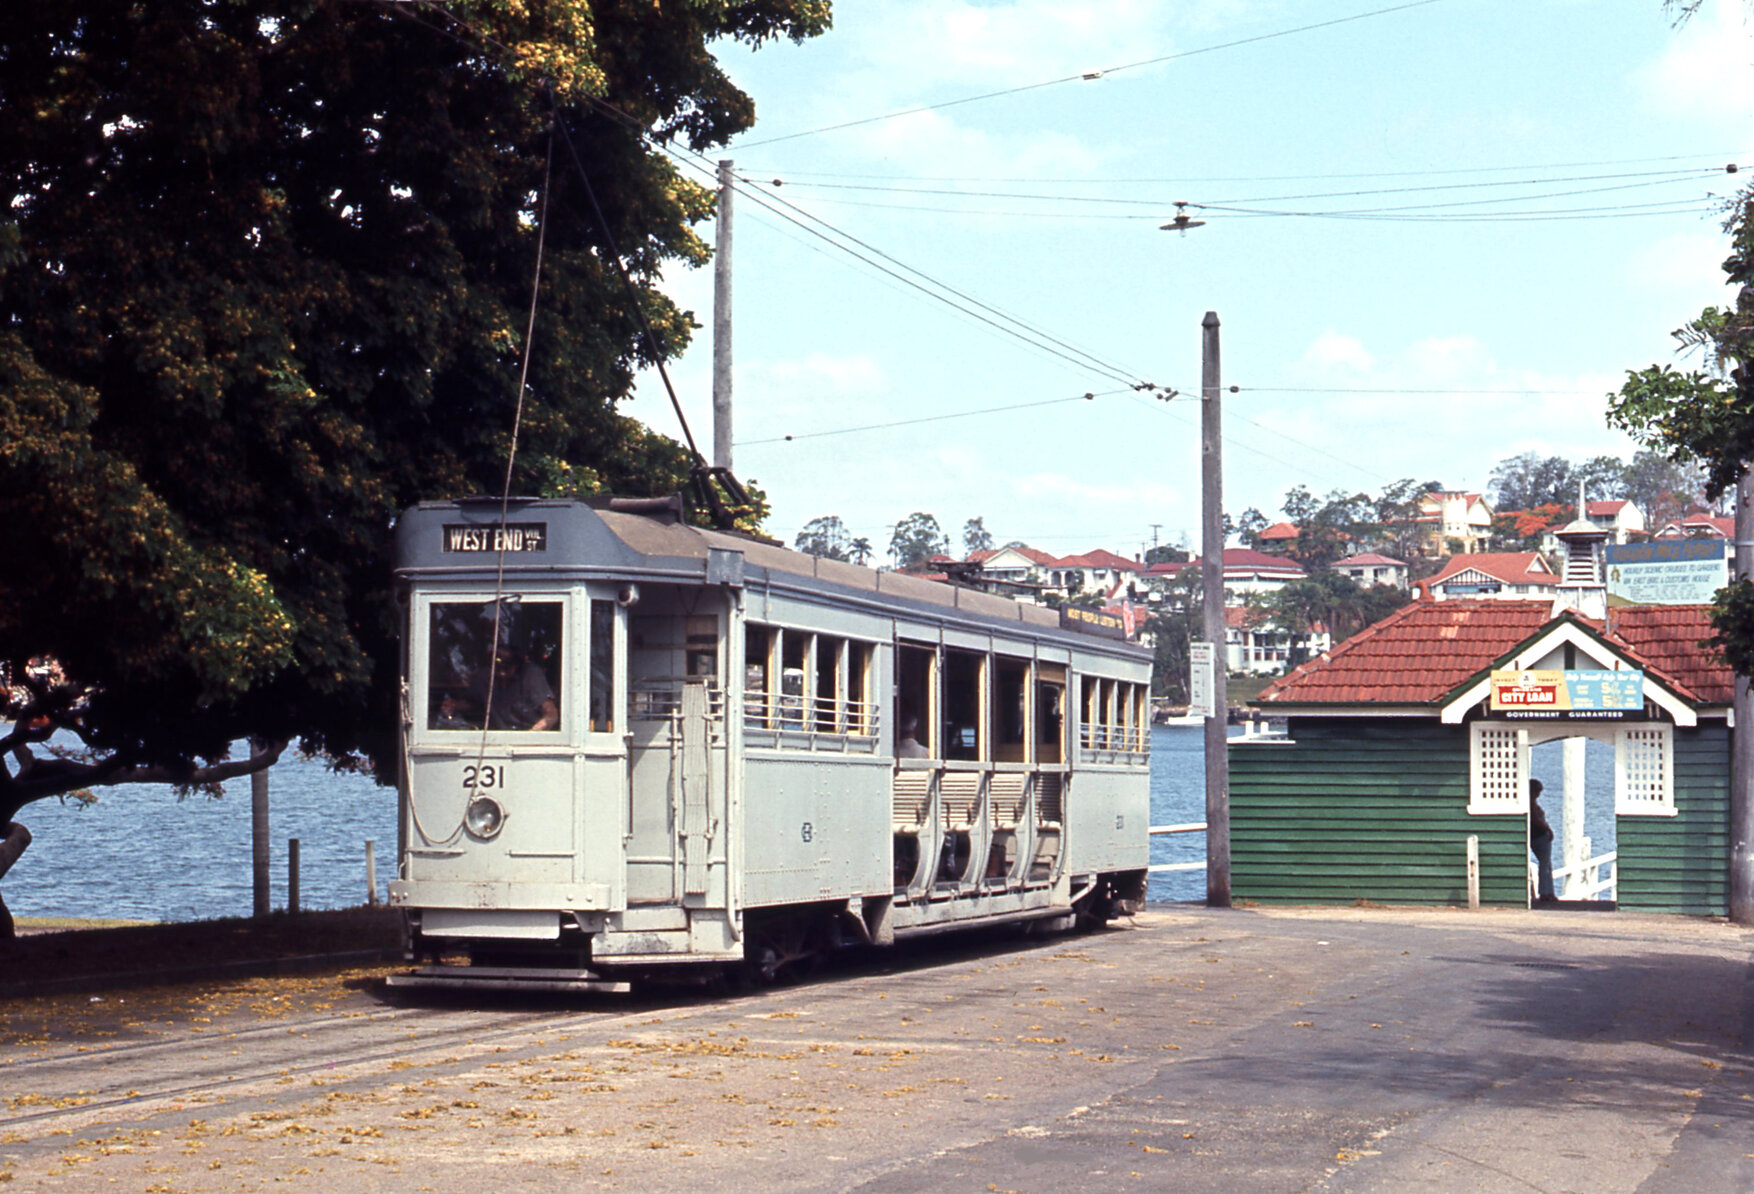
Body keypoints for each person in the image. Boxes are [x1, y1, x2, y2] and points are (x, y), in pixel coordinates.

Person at [473, 648, 559, 731]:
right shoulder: (485, 677)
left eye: (507, 668)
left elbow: (551, 714)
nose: (502, 674)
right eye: (498, 668)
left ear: (517, 665)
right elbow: (471, 703)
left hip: (527, 735)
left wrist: (531, 734)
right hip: (498, 737)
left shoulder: (531, 675)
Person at [1529, 778, 1556, 903]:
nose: (1539, 794)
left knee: (1546, 864)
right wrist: (1548, 830)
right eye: (1538, 791)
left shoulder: (1531, 803)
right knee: (1545, 865)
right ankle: (1545, 892)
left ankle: (1548, 891)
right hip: (1540, 837)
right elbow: (1536, 821)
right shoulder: (1531, 805)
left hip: (1537, 837)